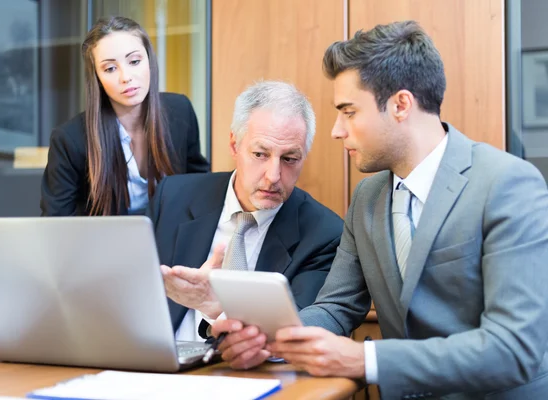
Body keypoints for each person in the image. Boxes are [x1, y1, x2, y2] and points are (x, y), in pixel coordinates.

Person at [213, 21, 548, 399]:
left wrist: (365, 360)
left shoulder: (507, 185)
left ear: (401, 105)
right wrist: (268, 339)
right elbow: (337, 307)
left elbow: (513, 349)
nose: (337, 130)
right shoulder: (367, 197)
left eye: (349, 111)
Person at [149, 80, 343, 341]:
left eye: (289, 159)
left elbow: (292, 333)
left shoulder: (324, 235)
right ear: (234, 145)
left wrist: (216, 309)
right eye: (260, 154)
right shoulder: (173, 196)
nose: (273, 176)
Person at [41, 16, 209, 216]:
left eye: (135, 61)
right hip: (103, 243)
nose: (126, 77)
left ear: (149, 61)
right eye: (110, 68)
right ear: (97, 78)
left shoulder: (180, 111)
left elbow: (200, 187)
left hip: (171, 241)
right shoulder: (70, 140)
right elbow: (57, 221)